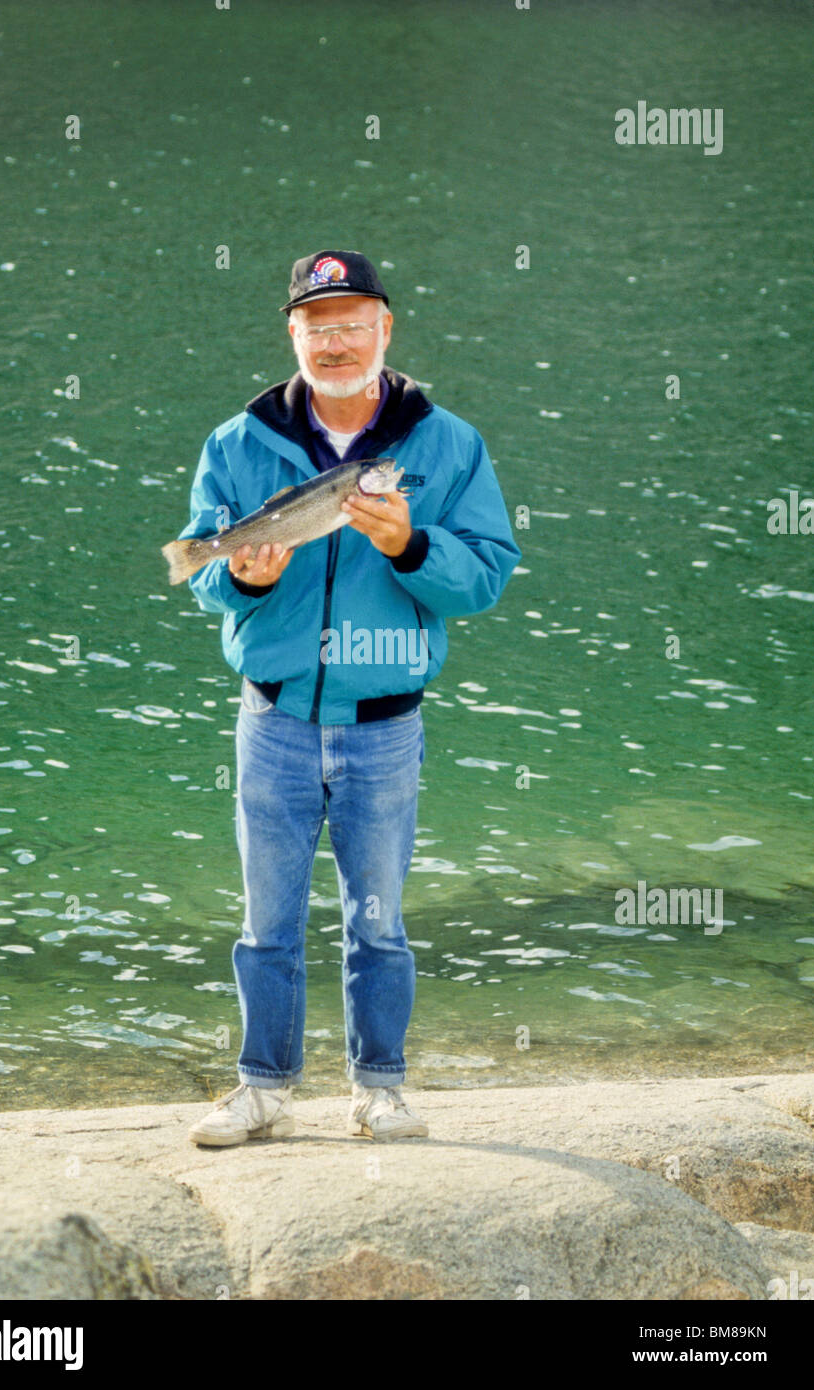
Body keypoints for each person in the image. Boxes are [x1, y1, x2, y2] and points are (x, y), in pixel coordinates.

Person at [183, 250, 520, 1146]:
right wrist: (241, 580)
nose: (336, 343)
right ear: (291, 333)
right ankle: (261, 1087)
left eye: (352, 324)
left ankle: (380, 1087)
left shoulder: (447, 443)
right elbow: (202, 568)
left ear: (385, 328)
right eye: (317, 326)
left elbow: (484, 577)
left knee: (379, 922)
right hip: (274, 717)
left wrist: (412, 546)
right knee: (267, 923)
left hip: (384, 726)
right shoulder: (237, 441)